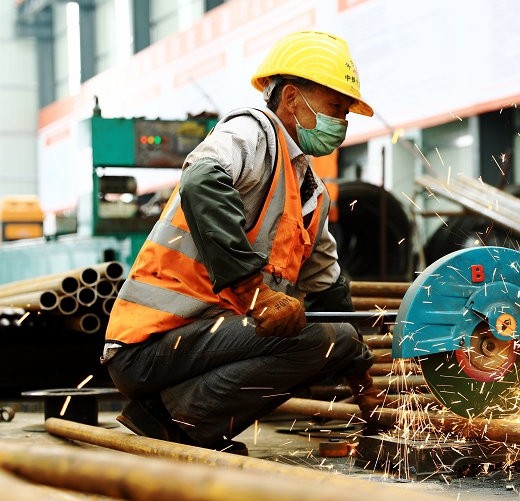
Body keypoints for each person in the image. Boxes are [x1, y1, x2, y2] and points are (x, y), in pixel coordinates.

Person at [102, 31, 384, 454]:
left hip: (203, 342)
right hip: (151, 343)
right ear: (291, 98)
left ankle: (178, 418)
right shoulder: (253, 131)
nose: (340, 125)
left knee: (335, 339)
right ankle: (179, 424)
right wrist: (258, 294)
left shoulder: (311, 194)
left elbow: (330, 293)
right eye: (335, 109)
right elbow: (202, 179)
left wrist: (363, 378)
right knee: (326, 339)